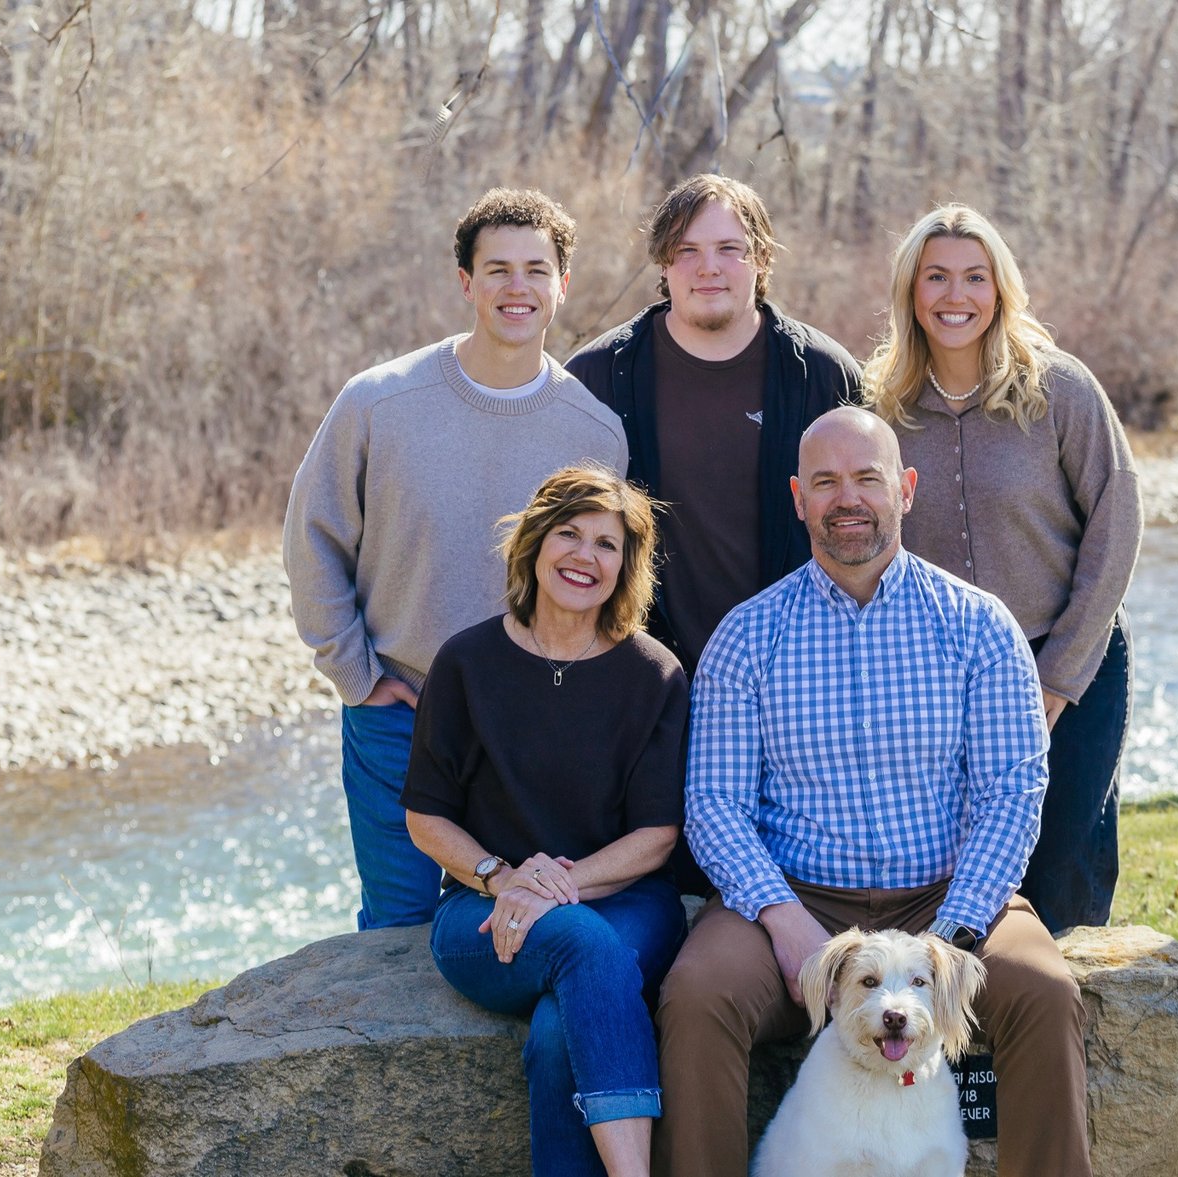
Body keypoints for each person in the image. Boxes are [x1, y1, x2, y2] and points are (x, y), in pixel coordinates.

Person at [657, 407, 1091, 1177]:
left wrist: (949, 939)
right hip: (793, 899)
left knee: (1044, 993)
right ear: (798, 498)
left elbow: (1014, 789)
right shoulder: (747, 637)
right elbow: (714, 805)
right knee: (697, 997)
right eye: (825, 482)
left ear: (906, 488)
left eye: (867, 478)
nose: (846, 498)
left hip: (948, 896)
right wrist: (782, 917)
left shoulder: (978, 626)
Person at [283, 188, 627, 931]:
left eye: (536, 270)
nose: (517, 287)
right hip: (397, 710)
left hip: (532, 724)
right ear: (465, 281)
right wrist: (355, 675)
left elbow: (600, 579)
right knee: (398, 929)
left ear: (562, 285)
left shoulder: (593, 432)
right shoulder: (379, 401)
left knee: (524, 922)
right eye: (496, 268)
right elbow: (311, 537)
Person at [402, 465, 688, 1177]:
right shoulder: (467, 662)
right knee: (584, 952)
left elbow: (658, 833)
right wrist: (502, 878)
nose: (585, 556)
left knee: (564, 1024)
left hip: (627, 902)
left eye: (607, 543)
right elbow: (426, 815)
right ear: (533, 543)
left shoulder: (653, 673)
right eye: (569, 533)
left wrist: (553, 885)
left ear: (627, 566)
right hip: (478, 908)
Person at [864, 204, 1142, 933]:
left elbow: (1117, 524)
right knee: (956, 864)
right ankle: (971, 1039)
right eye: (937, 278)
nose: (956, 296)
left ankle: (1077, 1031)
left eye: (974, 277)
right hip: (940, 676)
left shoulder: (1061, 391)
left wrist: (1055, 680)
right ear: (911, 293)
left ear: (1000, 289)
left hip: (1068, 662)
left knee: (1064, 861)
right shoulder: (883, 410)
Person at [567, 173, 862, 676]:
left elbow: (863, 525)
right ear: (663, 260)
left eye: (730, 249)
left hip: (796, 669)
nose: (708, 268)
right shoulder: (598, 376)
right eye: (687, 250)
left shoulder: (820, 374)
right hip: (642, 672)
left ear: (762, 257)